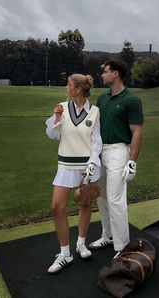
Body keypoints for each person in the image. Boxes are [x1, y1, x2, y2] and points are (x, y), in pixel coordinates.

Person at [45, 74, 102, 274]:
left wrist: (93, 164)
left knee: (85, 203)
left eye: (68, 85)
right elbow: (53, 135)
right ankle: (65, 254)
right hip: (65, 165)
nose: (65, 88)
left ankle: (80, 243)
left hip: (87, 167)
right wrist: (57, 118)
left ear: (78, 89)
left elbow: (96, 141)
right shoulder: (61, 107)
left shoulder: (95, 112)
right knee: (56, 207)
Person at [89, 60, 144, 255]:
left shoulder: (131, 100)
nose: (101, 75)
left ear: (116, 74)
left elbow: (137, 132)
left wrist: (132, 162)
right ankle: (108, 235)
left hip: (119, 152)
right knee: (101, 198)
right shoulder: (102, 99)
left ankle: (122, 246)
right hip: (100, 151)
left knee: (115, 199)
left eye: (105, 72)